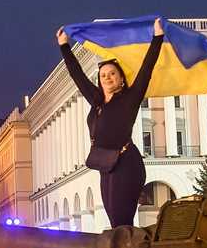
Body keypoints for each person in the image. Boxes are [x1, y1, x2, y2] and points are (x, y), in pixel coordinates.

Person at [57, 18, 164, 227]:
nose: (107, 78)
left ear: (121, 79)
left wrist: (157, 37)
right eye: (103, 75)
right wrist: (64, 46)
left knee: (121, 219)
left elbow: (146, 69)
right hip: (106, 165)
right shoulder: (96, 101)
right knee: (115, 219)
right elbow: (76, 75)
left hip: (126, 164)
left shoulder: (129, 99)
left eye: (112, 74)